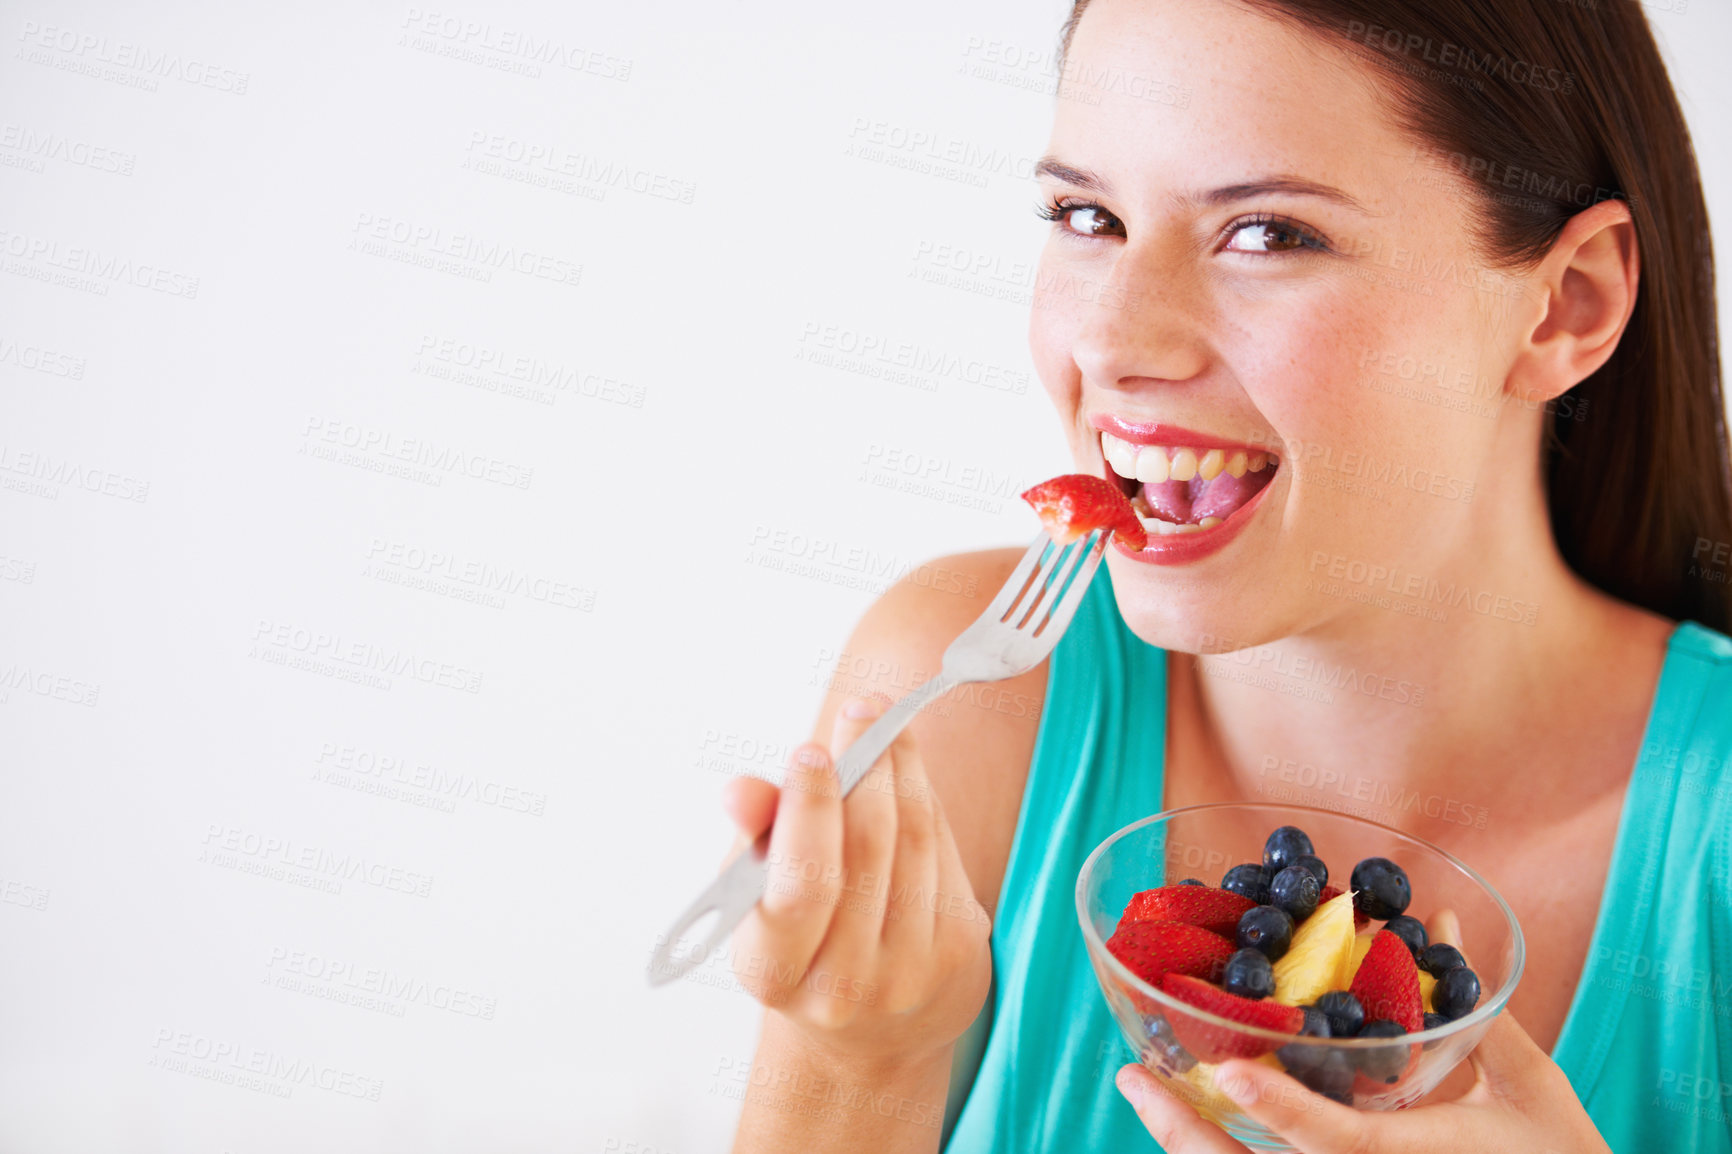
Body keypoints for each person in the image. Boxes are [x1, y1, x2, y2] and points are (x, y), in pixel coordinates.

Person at [718, 0, 1732, 1150]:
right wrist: (863, 1059)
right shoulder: (970, 693)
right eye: (1086, 215)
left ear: (1565, 304)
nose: (1113, 342)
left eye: (1268, 234)